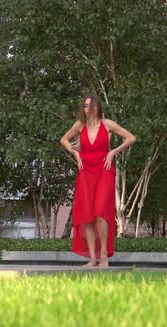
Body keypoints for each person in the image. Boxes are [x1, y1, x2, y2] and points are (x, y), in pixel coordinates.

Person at [60, 95, 136, 267]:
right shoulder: (80, 126)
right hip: (85, 171)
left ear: (97, 107)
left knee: (101, 212)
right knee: (87, 215)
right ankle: (92, 258)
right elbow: (64, 140)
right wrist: (75, 153)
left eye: (91, 106)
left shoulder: (107, 124)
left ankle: (103, 256)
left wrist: (112, 152)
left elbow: (131, 138)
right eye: (85, 106)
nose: (88, 109)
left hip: (104, 170)